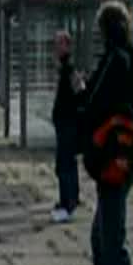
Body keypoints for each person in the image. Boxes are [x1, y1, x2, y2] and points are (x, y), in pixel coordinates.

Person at [74, 0, 133, 265]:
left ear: (105, 30)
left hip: (112, 160)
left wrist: (79, 91)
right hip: (127, 156)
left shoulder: (114, 60)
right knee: (101, 238)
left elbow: (92, 104)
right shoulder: (131, 59)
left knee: (111, 242)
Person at [50, 30, 82, 223]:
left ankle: (67, 203)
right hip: (64, 122)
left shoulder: (69, 69)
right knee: (66, 163)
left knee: (65, 164)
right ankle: (69, 199)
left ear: (67, 46)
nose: (56, 47)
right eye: (55, 44)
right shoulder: (64, 68)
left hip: (67, 124)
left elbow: (79, 91)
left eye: (59, 44)